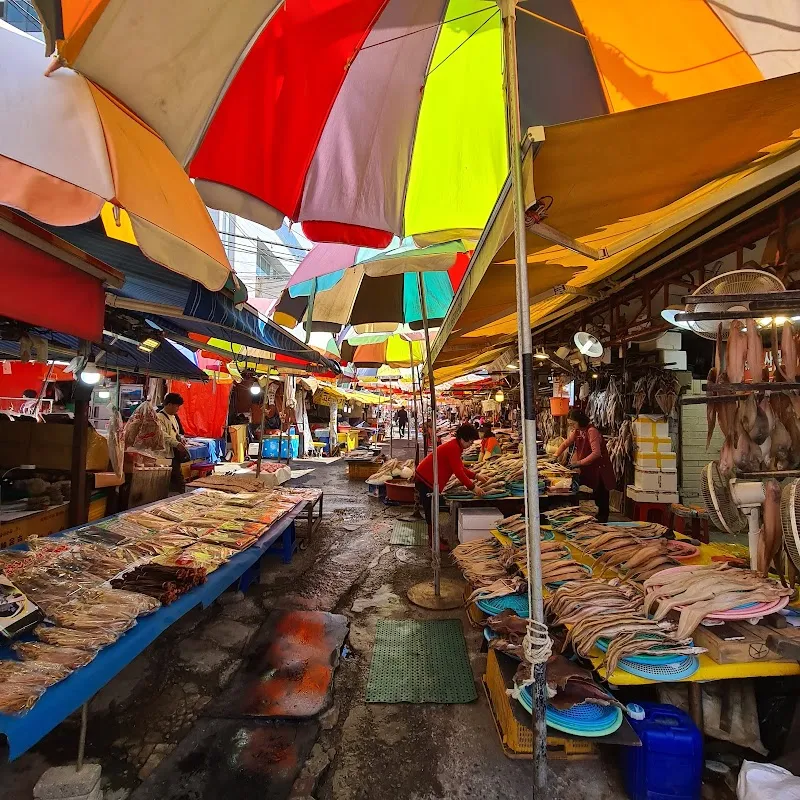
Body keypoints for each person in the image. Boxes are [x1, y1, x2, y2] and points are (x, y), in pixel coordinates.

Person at [415, 423, 483, 550]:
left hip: (428, 478)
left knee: (433, 510)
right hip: (426, 479)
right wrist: (473, 487)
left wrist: (476, 476)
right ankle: (434, 542)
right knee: (431, 512)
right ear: (463, 439)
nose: (471, 445)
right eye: (470, 441)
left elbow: (459, 467)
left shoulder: (455, 447)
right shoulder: (453, 448)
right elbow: (458, 472)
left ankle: (435, 538)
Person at [554, 408, 615, 523]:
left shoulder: (592, 431)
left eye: (573, 423)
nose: (572, 426)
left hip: (600, 468)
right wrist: (555, 455)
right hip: (588, 467)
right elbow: (565, 443)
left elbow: (596, 453)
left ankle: (603, 520)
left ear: (580, 421)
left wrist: (578, 463)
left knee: (601, 495)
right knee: (581, 486)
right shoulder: (577, 432)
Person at [157, 393, 189, 491]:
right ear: (169, 404)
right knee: (170, 479)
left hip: (173, 453)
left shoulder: (174, 417)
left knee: (177, 479)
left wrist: (180, 438)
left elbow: (175, 432)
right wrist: (176, 443)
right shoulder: (159, 417)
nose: (178, 409)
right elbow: (162, 435)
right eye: (177, 406)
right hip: (164, 454)